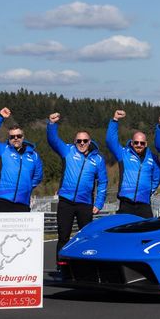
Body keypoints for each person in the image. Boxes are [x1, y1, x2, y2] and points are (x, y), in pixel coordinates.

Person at [47, 112, 107, 267]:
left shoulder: (98, 159)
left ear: (90, 141)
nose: (82, 143)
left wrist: (99, 203)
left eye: (85, 141)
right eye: (79, 141)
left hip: (85, 204)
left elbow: (103, 182)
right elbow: (53, 140)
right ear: (74, 142)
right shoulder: (67, 151)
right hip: (66, 202)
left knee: (86, 237)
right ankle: (61, 266)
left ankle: (86, 267)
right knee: (63, 236)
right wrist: (52, 125)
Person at [0, 108, 44, 212]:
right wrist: (0, 117)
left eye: (18, 136)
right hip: (2, 200)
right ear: (9, 138)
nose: (15, 138)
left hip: (23, 202)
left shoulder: (34, 155)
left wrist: (27, 187)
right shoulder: (1, 150)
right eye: (12, 136)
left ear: (23, 137)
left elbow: (37, 177)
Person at [106, 109, 160, 219]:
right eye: (136, 142)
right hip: (126, 203)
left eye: (141, 143)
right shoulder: (124, 154)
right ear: (132, 143)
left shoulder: (153, 158)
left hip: (144, 203)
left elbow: (156, 177)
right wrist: (115, 120)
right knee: (124, 232)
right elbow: (110, 141)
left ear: (146, 144)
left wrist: (149, 191)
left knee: (146, 233)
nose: (139, 145)